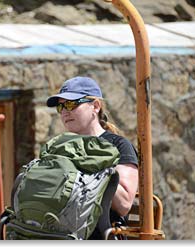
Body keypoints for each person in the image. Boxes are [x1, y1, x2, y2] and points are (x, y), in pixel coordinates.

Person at [46, 76, 139, 239]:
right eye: (60, 106)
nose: (65, 111)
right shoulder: (61, 147)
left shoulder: (118, 145)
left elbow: (124, 204)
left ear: (95, 106)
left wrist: (96, 165)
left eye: (71, 104)